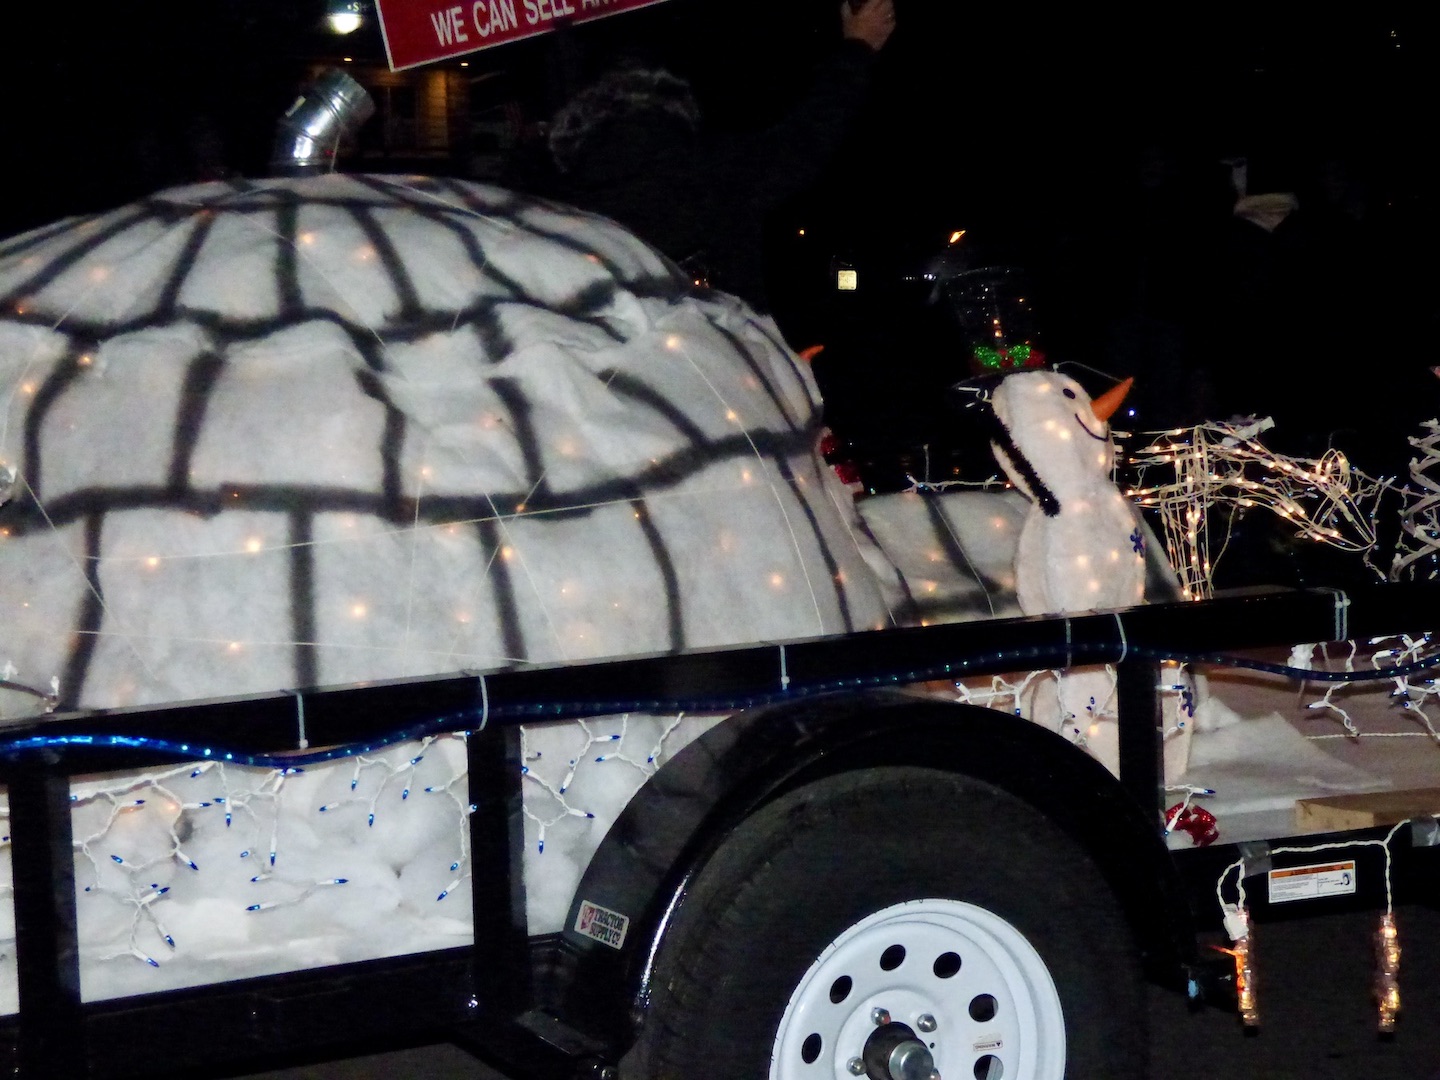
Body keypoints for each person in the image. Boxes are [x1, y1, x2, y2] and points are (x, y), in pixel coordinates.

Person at [540, 0, 897, 313]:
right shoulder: (705, 170)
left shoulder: (553, 206)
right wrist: (858, 48)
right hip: (722, 357)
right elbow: (803, 141)